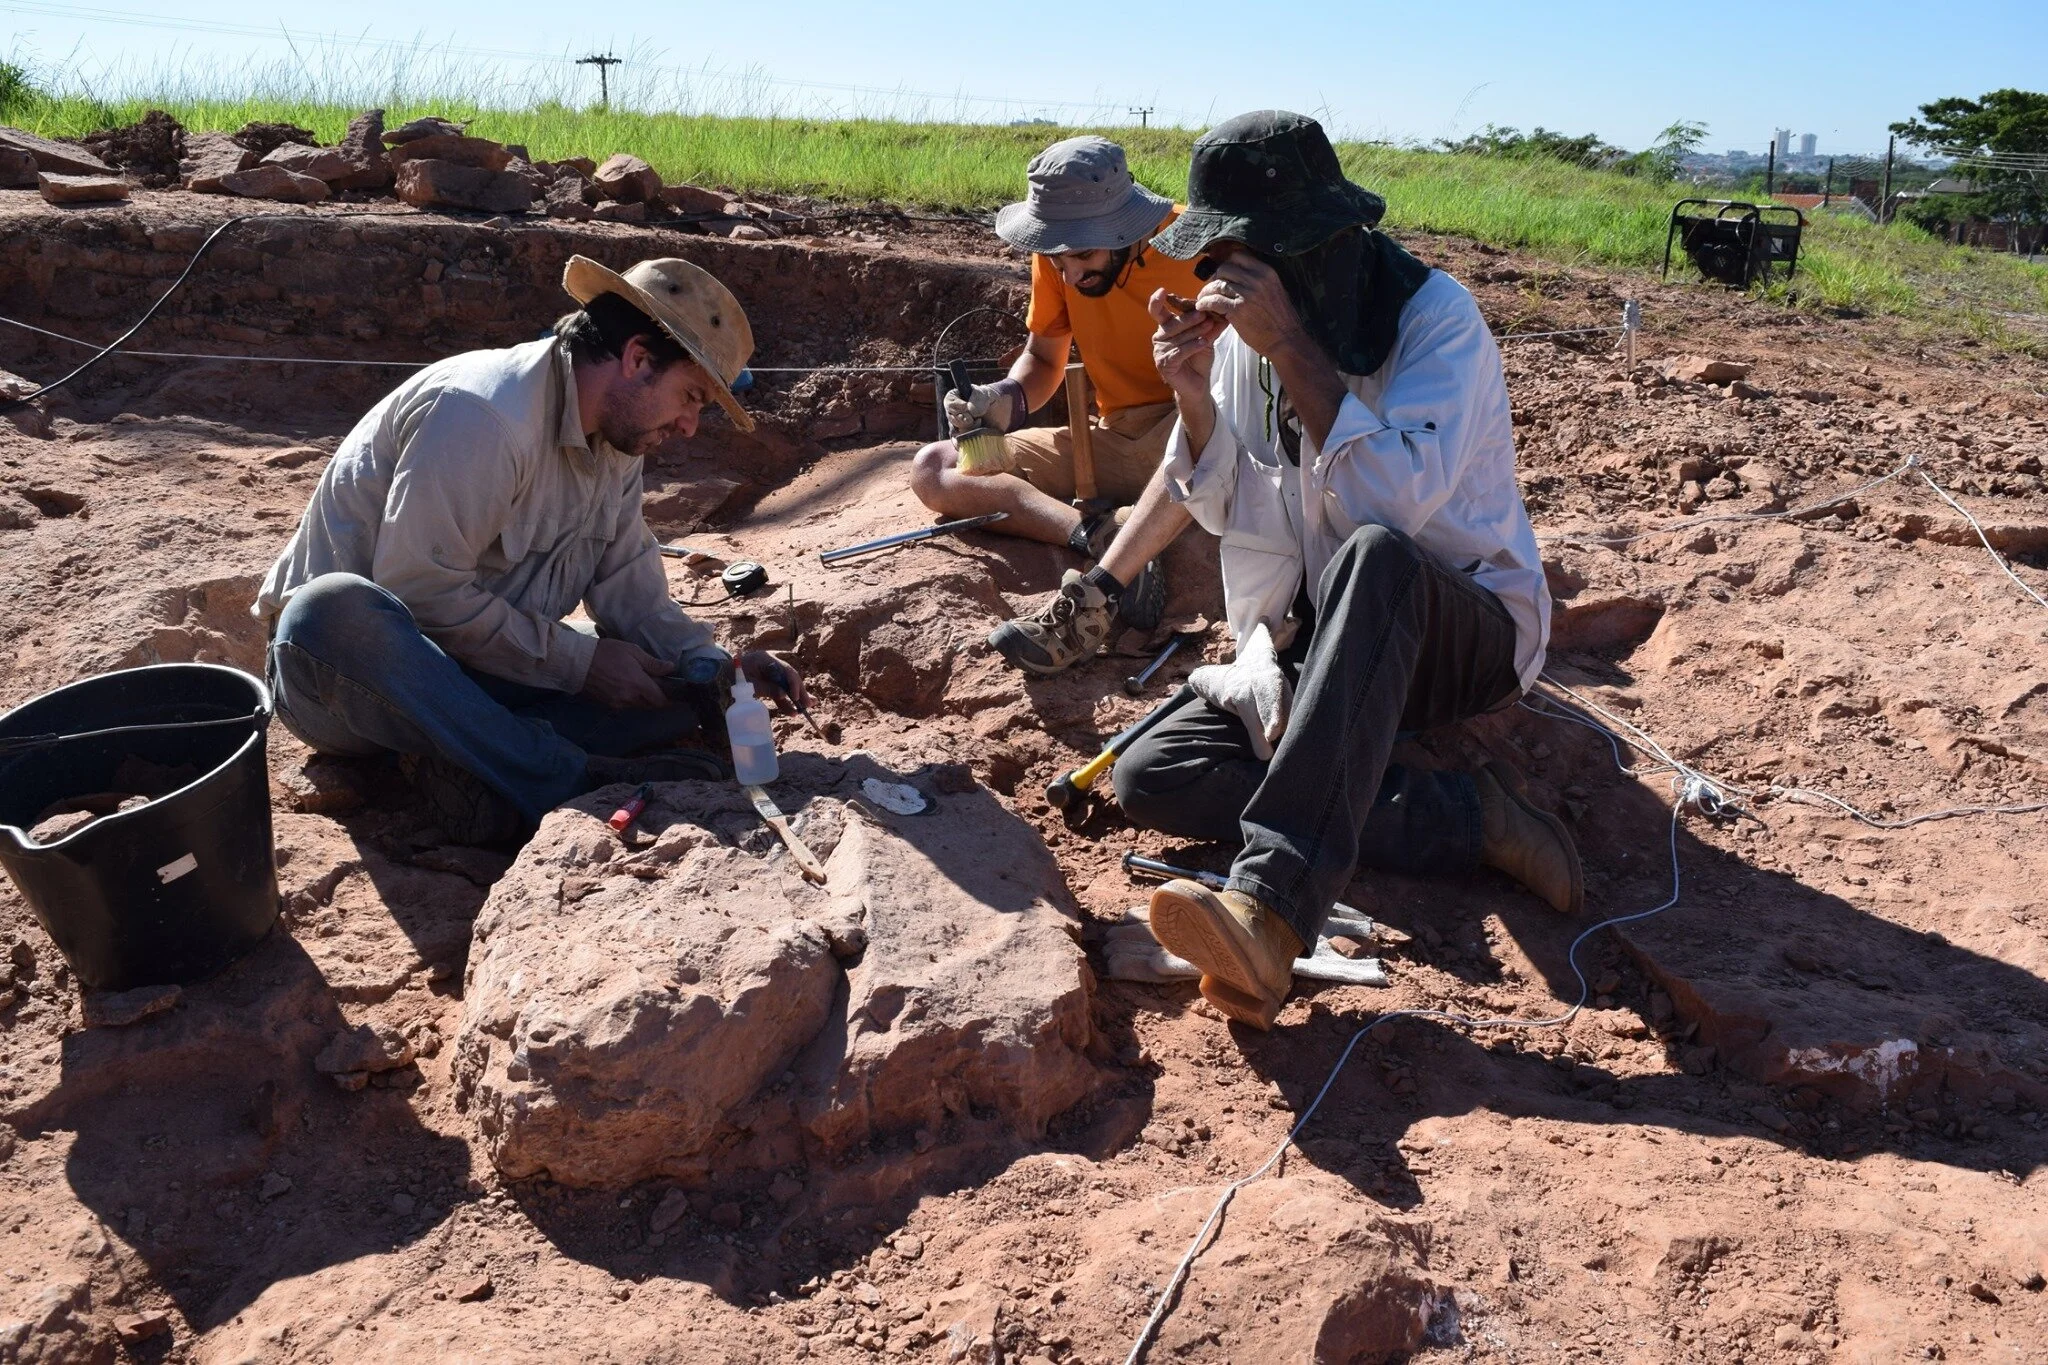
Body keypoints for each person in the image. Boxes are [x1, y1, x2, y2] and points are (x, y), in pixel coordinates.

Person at [1070, 111, 1582, 1028]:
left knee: (1375, 555)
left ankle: (1271, 908)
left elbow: (1390, 508)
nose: (1219, 281)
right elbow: (1222, 501)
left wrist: (1291, 351)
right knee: (1153, 771)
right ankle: (1468, 817)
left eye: (1238, 257)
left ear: (1304, 248)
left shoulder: (1435, 323)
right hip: (1328, 637)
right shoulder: (1241, 343)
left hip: (1462, 632)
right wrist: (1194, 400)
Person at [254, 255, 805, 845]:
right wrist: (580, 664)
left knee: (670, 696)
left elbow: (634, 598)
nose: (691, 425)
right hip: (352, 678)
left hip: (479, 672)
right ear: (638, 358)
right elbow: (420, 594)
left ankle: (476, 763)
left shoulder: (617, 445)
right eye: (691, 396)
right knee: (330, 607)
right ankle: (561, 779)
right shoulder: (483, 415)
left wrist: (716, 671)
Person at [906, 136, 1210, 669]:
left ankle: (1117, 558)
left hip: (1200, 431)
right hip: (1115, 438)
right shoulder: (1058, 253)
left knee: (1203, 437)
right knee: (935, 469)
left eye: (1084, 257)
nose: (1069, 274)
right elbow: (1044, 359)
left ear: (1126, 230)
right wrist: (1002, 400)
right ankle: (1097, 533)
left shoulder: (1199, 244)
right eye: (1058, 258)